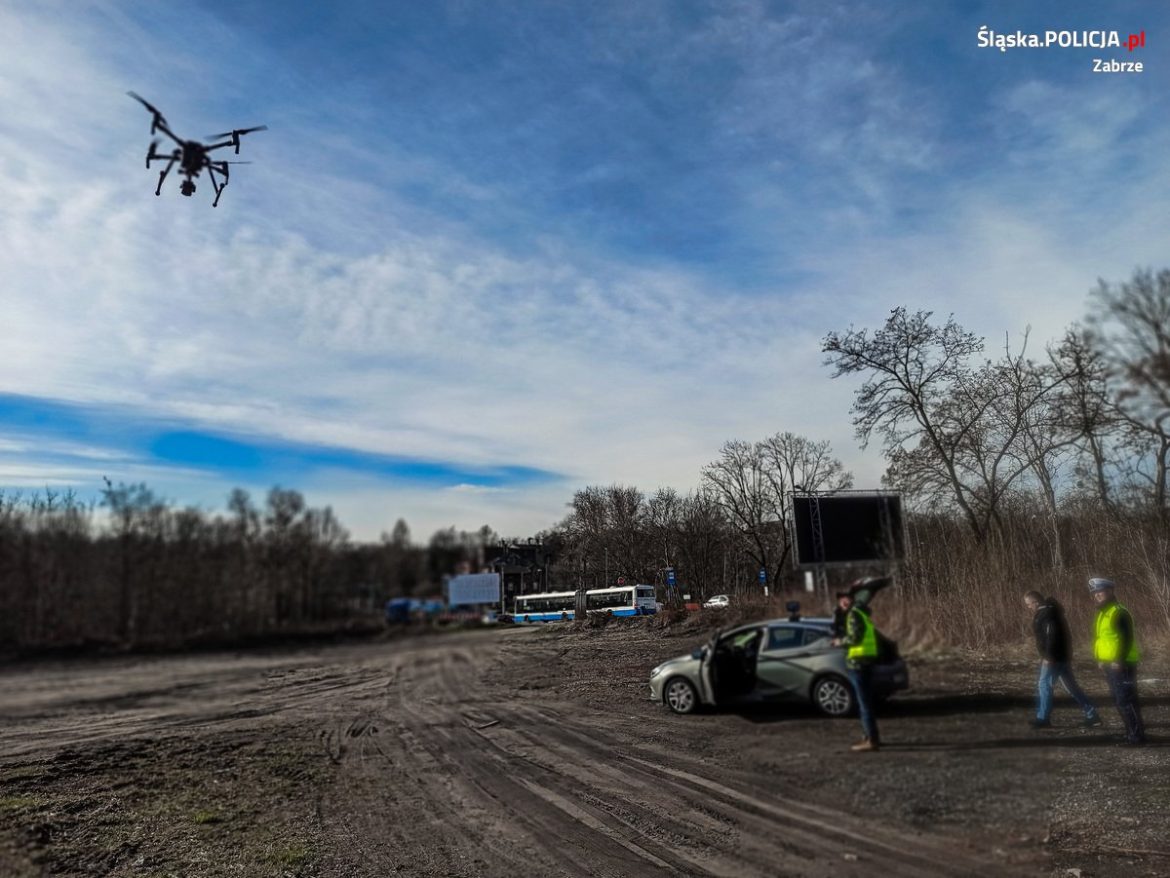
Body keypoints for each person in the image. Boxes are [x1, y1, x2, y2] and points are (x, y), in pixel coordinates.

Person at [1023, 590, 1100, 729]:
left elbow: (1052, 636)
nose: (1028, 607)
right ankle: (1092, 715)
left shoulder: (1047, 614)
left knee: (1044, 684)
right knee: (1071, 687)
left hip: (1054, 657)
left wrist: (1049, 656)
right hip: (1062, 656)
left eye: (1028, 604)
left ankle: (1043, 718)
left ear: (1035, 602)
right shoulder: (1052, 612)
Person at [1088, 577, 1146, 745]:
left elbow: (1126, 639)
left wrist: (1118, 660)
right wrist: (1101, 659)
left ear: (1110, 591)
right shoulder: (1103, 612)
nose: (1097, 595)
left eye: (1100, 591)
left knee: (1126, 700)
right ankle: (1131, 733)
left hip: (1122, 663)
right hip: (1109, 663)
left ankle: (1136, 737)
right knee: (1120, 700)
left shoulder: (1119, 612)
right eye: (1095, 592)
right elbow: (1103, 639)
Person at [832, 590, 881, 752]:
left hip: (857, 663)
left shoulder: (853, 614)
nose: (843, 603)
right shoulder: (861, 612)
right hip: (865, 661)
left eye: (845, 600)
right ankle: (870, 736)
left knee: (863, 703)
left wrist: (840, 641)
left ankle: (871, 740)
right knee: (865, 701)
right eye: (841, 601)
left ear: (851, 600)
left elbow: (854, 638)